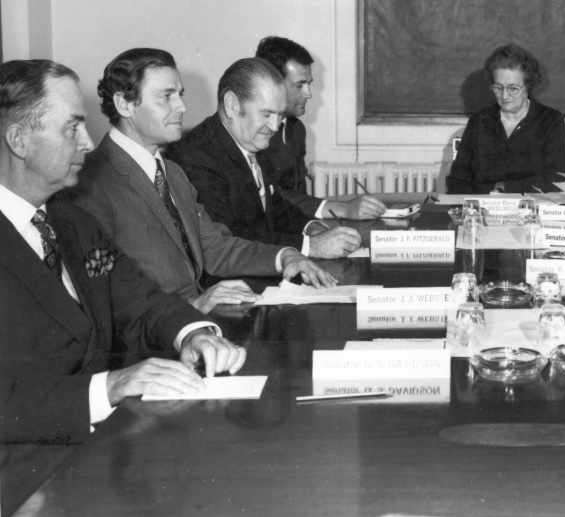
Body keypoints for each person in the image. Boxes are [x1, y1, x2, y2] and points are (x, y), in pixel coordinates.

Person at [0, 60, 246, 444]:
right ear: (19, 141)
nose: (87, 142)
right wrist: (109, 387)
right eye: (72, 127)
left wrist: (194, 334)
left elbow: (140, 300)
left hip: (102, 444)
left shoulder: (69, 219)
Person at [71, 49, 338, 314]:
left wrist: (285, 256)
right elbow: (103, 293)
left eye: (180, 94)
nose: (182, 107)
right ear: (124, 104)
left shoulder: (172, 173)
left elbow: (214, 246)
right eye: (167, 96)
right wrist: (192, 306)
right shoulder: (90, 183)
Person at [167, 58, 361, 256]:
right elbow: (228, 243)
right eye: (266, 114)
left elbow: (273, 206)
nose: (275, 126)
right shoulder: (198, 158)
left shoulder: (248, 138)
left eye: (279, 115)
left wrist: (310, 227)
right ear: (232, 105)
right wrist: (311, 246)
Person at [254, 36, 385, 220]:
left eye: (308, 84)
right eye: (299, 85)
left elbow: (299, 196)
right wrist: (343, 208)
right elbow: (271, 198)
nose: (308, 94)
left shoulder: (295, 129)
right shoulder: (255, 133)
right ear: (271, 84)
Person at [446, 43, 565, 194]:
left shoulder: (550, 121)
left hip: (532, 205)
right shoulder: (479, 121)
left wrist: (502, 188)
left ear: (528, 87)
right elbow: (458, 179)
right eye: (498, 88)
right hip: (482, 205)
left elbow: (555, 179)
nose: (504, 96)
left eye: (513, 88)